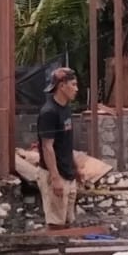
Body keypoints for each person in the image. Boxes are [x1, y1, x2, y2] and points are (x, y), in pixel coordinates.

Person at [36, 67, 80, 228]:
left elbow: (66, 142)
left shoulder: (66, 108)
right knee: (56, 224)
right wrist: (55, 178)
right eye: (73, 85)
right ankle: (54, 245)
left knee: (68, 221)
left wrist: (75, 167)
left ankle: (66, 246)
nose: (76, 89)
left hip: (67, 173)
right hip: (55, 174)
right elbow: (47, 147)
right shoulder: (49, 112)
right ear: (62, 86)